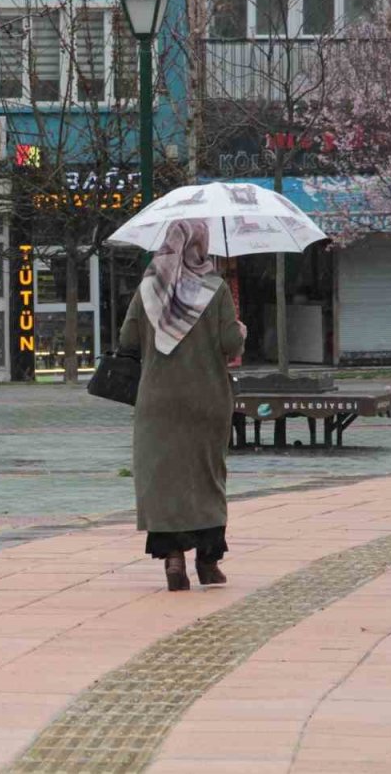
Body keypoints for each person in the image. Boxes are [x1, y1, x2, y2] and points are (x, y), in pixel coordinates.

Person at [119, 219, 246, 591]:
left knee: (163, 478)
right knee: (206, 476)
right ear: (200, 245)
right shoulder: (215, 287)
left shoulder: (150, 287)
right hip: (206, 399)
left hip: (157, 401)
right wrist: (239, 330)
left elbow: (127, 339)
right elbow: (229, 343)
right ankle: (208, 561)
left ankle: (173, 559)